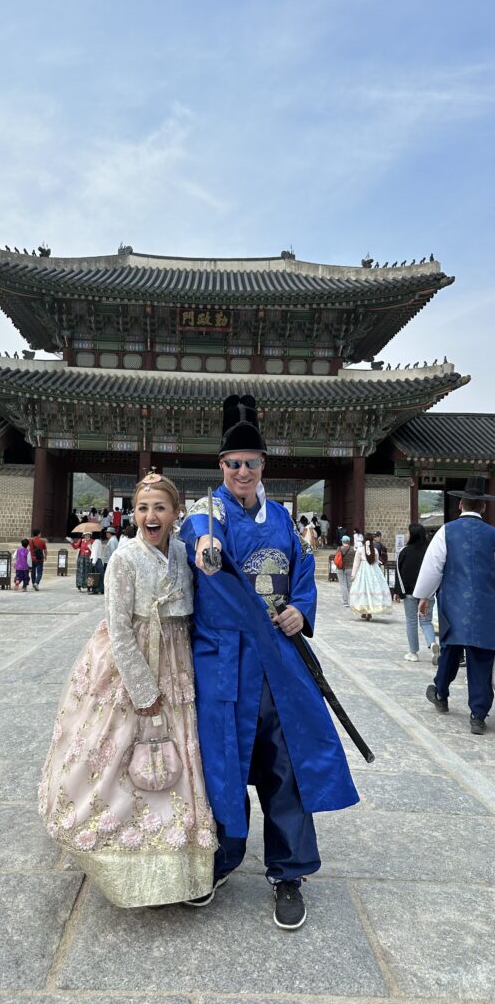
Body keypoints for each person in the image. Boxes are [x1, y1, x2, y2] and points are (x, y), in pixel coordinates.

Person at [180, 394, 358, 930]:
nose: (242, 472)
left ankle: (288, 871)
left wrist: (301, 610)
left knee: (287, 762)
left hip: (279, 660)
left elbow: (303, 574)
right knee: (222, 761)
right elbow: (202, 546)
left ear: (263, 465)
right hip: (224, 659)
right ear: (221, 466)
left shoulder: (282, 518)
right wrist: (205, 549)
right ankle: (220, 859)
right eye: (233, 463)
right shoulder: (206, 515)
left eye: (251, 463)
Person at [39, 471, 217, 907]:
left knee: (176, 748)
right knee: (116, 749)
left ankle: (179, 853)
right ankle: (116, 841)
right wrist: (142, 689)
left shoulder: (182, 552)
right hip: (132, 660)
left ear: (175, 513)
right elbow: (118, 629)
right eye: (142, 508)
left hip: (175, 657)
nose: (150, 516)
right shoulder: (124, 557)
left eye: (159, 507)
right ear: (133, 513)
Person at [415, 477, 495, 735]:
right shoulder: (493, 535)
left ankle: (441, 693)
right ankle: (478, 715)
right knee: (481, 656)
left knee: (450, 649)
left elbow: (433, 566)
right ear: (483, 507)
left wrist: (424, 595)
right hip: (486, 605)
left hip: (453, 602)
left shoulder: (446, 532)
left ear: (460, 504)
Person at [393, 524, 439, 663]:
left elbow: (399, 572)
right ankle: (432, 644)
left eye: (408, 532)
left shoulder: (404, 551)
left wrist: (398, 591)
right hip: (427, 593)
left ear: (412, 534)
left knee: (411, 621)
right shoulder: (430, 551)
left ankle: (413, 653)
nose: (406, 535)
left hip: (409, 593)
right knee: (426, 621)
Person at [349, 532, 393, 621]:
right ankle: (369, 612)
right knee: (373, 590)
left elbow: (356, 563)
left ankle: (364, 611)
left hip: (363, 572)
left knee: (363, 590)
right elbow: (376, 561)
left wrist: (353, 574)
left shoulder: (360, 550)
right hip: (373, 571)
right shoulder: (375, 550)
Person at [336, 535, 354, 606]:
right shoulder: (352, 549)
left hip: (341, 568)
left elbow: (337, 558)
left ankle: (345, 602)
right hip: (350, 568)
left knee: (343, 585)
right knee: (349, 584)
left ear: (342, 541)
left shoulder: (339, 548)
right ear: (349, 542)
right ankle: (352, 600)